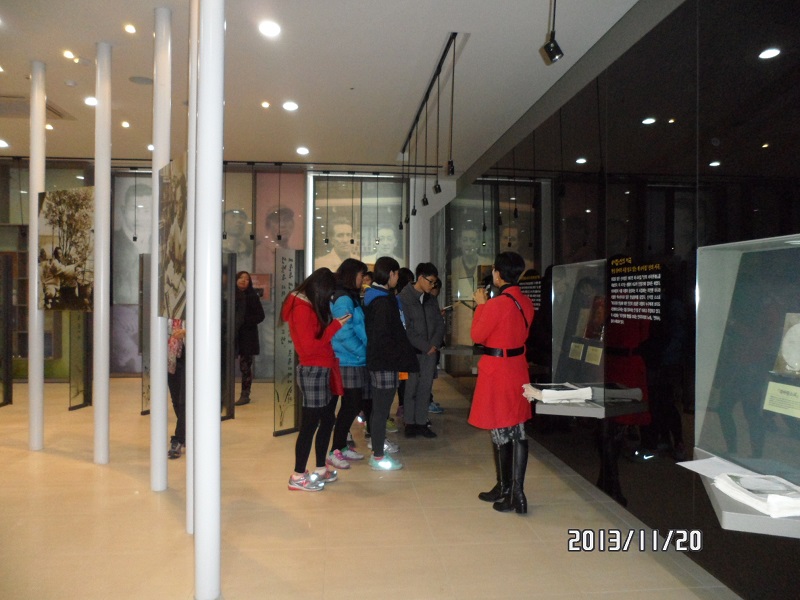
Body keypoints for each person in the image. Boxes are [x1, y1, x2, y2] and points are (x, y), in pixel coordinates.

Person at [470, 252, 535, 514]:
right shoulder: (526, 302)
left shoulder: (496, 304)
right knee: (517, 429)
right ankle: (513, 490)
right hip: (518, 369)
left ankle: (509, 490)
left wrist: (481, 306)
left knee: (501, 429)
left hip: (498, 371)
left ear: (498, 274)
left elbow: (477, 335)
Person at [281, 268, 351, 491]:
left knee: (327, 420)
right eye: (329, 293)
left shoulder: (307, 305)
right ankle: (298, 475)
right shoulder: (301, 308)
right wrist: (335, 326)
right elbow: (310, 347)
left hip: (322, 368)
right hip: (313, 370)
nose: (329, 298)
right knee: (309, 425)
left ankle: (321, 468)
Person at [364, 256, 418, 471]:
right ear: (390, 274)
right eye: (396, 274)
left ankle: (378, 450)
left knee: (380, 409)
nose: (397, 278)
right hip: (384, 362)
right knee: (381, 410)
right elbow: (384, 336)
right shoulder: (383, 302)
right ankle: (378, 456)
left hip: (382, 361)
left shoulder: (380, 298)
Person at [328, 258, 370, 466]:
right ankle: (335, 450)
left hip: (353, 359)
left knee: (351, 405)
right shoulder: (343, 299)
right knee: (351, 405)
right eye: (361, 275)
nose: (363, 280)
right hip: (348, 359)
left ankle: (341, 446)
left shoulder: (348, 296)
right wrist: (363, 350)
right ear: (352, 275)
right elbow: (342, 333)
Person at [398, 262, 445, 439]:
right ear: (420, 278)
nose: (432, 286)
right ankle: (409, 423)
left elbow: (439, 323)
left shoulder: (431, 299)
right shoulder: (404, 297)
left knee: (425, 388)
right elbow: (406, 328)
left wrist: (434, 344)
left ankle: (421, 422)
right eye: (430, 281)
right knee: (410, 389)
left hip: (430, 353)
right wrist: (425, 346)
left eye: (434, 282)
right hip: (412, 352)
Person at [234, 271, 266, 406]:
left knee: (245, 367)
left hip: (247, 336)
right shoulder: (229, 295)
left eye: (247, 279)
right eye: (241, 278)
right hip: (232, 335)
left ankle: (245, 394)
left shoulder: (252, 296)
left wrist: (245, 321)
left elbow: (261, 316)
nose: (243, 280)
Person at [167, 318, 187, 459]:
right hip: (170, 358)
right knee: (175, 399)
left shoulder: (192, 308)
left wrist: (186, 332)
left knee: (183, 401)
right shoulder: (165, 309)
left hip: (189, 357)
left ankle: (179, 439)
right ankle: (187, 432)